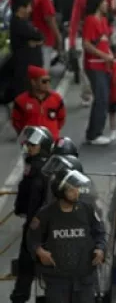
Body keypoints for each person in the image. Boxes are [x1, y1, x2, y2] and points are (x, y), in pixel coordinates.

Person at [26, 170, 106, 303]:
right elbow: (32, 238)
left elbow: (100, 233)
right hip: (57, 280)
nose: (77, 192)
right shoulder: (45, 214)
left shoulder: (87, 210)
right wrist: (40, 252)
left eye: (77, 188)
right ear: (60, 192)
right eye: (71, 190)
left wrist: (100, 248)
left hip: (84, 278)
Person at [10, 126, 54, 303]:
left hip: (40, 227)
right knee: (27, 268)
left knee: (33, 269)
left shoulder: (42, 169)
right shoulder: (34, 166)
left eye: (33, 145)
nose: (29, 147)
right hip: (35, 225)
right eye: (28, 144)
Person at [82, 0, 114, 145]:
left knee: (103, 97)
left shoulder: (103, 20)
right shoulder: (90, 20)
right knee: (101, 98)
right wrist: (104, 56)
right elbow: (86, 44)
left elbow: (105, 41)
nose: (107, 4)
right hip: (94, 65)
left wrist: (110, 54)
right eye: (104, 1)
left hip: (104, 65)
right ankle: (94, 133)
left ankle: (94, 131)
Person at [12, 66, 66, 139]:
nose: (47, 84)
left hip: (51, 141)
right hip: (31, 144)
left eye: (49, 80)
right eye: (44, 81)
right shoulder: (21, 101)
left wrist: (54, 131)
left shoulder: (56, 99)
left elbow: (61, 118)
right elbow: (17, 122)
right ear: (33, 82)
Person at [9, 0, 44, 99]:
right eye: (28, 6)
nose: (30, 10)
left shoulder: (24, 22)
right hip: (24, 72)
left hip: (30, 70)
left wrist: (36, 41)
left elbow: (39, 37)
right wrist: (36, 40)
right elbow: (37, 35)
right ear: (21, 8)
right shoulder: (19, 24)